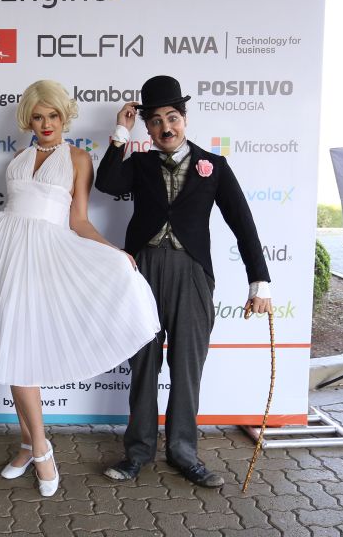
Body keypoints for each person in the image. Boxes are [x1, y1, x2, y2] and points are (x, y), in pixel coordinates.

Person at [0, 80, 160, 497]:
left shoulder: (78, 158)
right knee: (12, 351)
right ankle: (33, 446)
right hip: (2, 255)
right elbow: (13, 210)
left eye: (53, 115)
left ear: (63, 116)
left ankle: (37, 448)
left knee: (20, 356)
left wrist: (113, 252)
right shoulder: (17, 159)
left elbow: (79, 220)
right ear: (28, 120)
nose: (46, 123)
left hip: (43, 259)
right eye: (37, 117)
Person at [94, 75, 273, 488]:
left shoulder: (214, 166)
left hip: (192, 274)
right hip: (142, 272)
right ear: (147, 127)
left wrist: (259, 282)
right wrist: (120, 133)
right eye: (155, 121)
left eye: (172, 118)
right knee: (143, 365)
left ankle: (183, 453)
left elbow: (243, 224)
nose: (165, 128)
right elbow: (106, 183)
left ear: (185, 119)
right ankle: (138, 452)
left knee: (188, 367)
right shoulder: (139, 164)